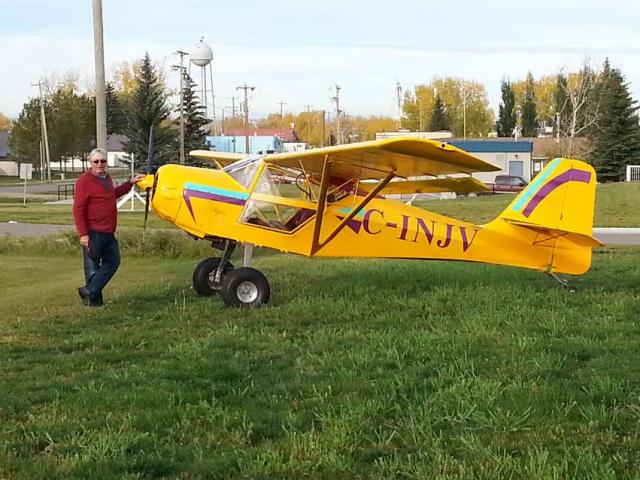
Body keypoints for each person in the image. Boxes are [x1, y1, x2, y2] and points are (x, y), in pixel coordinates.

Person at [73, 148, 145, 306]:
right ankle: (94, 302)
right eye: (96, 161)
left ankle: (88, 291)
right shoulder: (84, 181)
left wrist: (130, 183)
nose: (100, 164)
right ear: (90, 163)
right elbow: (78, 209)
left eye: (102, 161)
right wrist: (83, 234)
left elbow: (113, 194)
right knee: (93, 267)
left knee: (113, 261)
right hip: (93, 232)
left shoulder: (107, 178)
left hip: (108, 231)